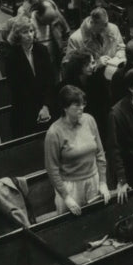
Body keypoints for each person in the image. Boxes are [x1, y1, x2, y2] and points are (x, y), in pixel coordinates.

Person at [44, 85, 111, 216]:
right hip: (71, 186)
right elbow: (52, 169)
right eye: (76, 105)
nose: (82, 108)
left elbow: (100, 154)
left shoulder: (89, 120)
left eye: (83, 104)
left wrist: (103, 182)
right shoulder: (54, 132)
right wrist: (66, 197)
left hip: (93, 180)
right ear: (65, 107)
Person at [0, 15, 56, 139]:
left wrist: (46, 106)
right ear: (17, 35)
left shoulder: (42, 50)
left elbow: (50, 80)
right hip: (24, 109)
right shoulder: (11, 57)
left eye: (31, 31)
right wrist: (38, 110)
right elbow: (16, 88)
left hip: (45, 106)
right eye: (25, 32)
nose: (30, 35)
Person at [65, 7, 126, 78]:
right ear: (92, 23)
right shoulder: (75, 39)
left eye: (107, 24)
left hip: (112, 74)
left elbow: (121, 47)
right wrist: (96, 63)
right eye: (102, 28)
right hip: (91, 80)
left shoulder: (112, 28)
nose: (107, 29)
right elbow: (70, 67)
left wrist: (120, 55)